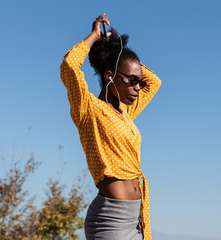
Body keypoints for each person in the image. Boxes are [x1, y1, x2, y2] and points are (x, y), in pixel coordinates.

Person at [60, 13, 161, 240]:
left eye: (138, 81)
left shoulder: (126, 112)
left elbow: (154, 81)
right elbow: (69, 66)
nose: (138, 86)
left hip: (137, 220)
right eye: (132, 80)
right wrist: (95, 37)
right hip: (110, 220)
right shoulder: (89, 109)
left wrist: (116, 51)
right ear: (109, 76)